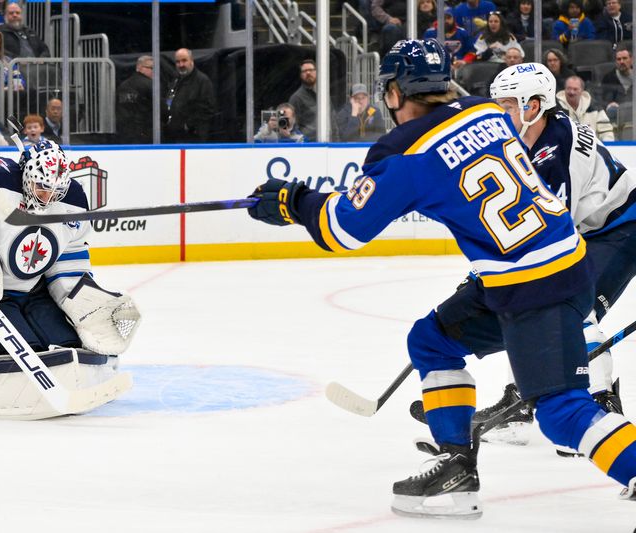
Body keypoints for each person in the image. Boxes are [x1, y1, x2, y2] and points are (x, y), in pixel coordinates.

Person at [246, 38, 636, 518]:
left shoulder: (405, 155)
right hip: (542, 269)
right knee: (432, 340)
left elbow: (343, 230)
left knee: (561, 413)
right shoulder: (488, 114)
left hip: (538, 286)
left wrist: (291, 203)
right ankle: (456, 469)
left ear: (392, 94)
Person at [448, 63, 636, 455]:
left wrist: (490, 273)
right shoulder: (531, 136)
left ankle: (602, 409)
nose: (500, 114)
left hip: (620, 228)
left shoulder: (556, 151)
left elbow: (547, 236)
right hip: (589, 227)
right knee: (542, 310)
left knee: (571, 308)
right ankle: (530, 395)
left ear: (535, 105)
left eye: (508, 105)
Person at [0, 140, 139, 358]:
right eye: (43, 188)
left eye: (56, 191)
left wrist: (83, 302)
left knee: (68, 346)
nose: (47, 198)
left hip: (34, 294)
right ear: (26, 175)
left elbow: (69, 261)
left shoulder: (73, 200)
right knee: (20, 351)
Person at [164, 48, 216, 143]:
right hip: (176, 136)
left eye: (184, 60)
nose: (181, 65)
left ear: (191, 61)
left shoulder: (202, 81)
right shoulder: (176, 80)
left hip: (193, 138)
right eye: (178, 62)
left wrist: (188, 125)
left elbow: (208, 109)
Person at [557, 75, 616, 140]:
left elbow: (606, 132)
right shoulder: (555, 108)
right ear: (564, 89)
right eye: (569, 88)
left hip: (592, 149)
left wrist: (606, 147)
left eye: (575, 89)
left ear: (582, 91)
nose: (572, 92)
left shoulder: (595, 108)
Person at [116, 55, 153, 144]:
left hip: (124, 131)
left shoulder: (123, 85)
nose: (153, 71)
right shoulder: (150, 85)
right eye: (151, 68)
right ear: (139, 68)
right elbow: (160, 108)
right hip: (145, 132)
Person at [602, 46, 633, 121]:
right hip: (617, 114)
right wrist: (609, 104)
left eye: (625, 58)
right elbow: (603, 99)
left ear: (631, 60)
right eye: (619, 59)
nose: (622, 62)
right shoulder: (608, 78)